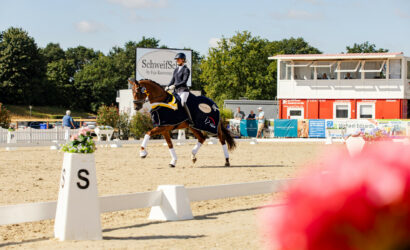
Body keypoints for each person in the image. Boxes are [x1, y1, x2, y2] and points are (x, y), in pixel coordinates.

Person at [165, 53, 192, 123]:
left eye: (178, 59)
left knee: (182, 103)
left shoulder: (186, 70)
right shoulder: (176, 70)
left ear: (183, 60)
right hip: (176, 91)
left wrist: (175, 85)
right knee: (170, 102)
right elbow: (172, 80)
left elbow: (184, 81)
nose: (177, 61)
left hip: (183, 91)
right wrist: (167, 86)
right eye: (176, 59)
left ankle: (189, 119)